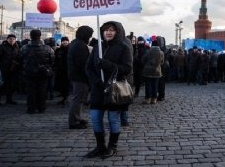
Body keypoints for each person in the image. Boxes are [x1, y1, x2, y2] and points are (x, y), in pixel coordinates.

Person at [85, 21, 133, 158]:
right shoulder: (97, 46)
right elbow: (88, 68)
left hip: (114, 89)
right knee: (95, 118)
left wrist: (107, 65)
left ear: (117, 32)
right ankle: (100, 147)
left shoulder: (124, 47)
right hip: (98, 89)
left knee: (113, 119)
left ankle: (112, 147)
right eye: (106, 30)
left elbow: (127, 69)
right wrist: (97, 82)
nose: (108, 32)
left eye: (112, 30)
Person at [20, 29, 54, 114]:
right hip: (43, 73)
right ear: (40, 36)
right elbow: (52, 61)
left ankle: (31, 108)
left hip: (29, 73)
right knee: (42, 91)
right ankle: (41, 108)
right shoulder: (48, 48)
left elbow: (20, 59)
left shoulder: (24, 48)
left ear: (30, 36)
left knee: (30, 91)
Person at [68, 26, 94, 129]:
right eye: (90, 35)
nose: (91, 37)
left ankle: (77, 118)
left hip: (76, 75)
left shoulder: (75, 43)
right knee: (78, 99)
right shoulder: (80, 45)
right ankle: (74, 121)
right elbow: (83, 64)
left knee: (79, 99)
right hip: (80, 76)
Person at [0, 34, 20, 105]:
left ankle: (9, 99)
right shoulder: (2, 47)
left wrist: (16, 62)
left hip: (13, 69)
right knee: (1, 85)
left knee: (11, 85)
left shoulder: (16, 47)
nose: (12, 40)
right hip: (3, 69)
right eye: (10, 39)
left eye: (13, 39)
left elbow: (18, 56)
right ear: (7, 39)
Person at [142, 39, 164, 104]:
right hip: (157, 71)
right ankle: (154, 99)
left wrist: (146, 64)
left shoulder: (148, 51)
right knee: (155, 85)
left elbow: (143, 59)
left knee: (148, 85)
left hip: (148, 71)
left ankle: (148, 99)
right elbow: (162, 62)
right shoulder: (161, 52)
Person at [54, 37, 70, 105]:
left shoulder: (70, 49)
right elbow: (56, 59)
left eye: (66, 41)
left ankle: (65, 98)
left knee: (66, 85)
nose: (65, 42)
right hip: (60, 70)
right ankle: (63, 96)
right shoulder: (58, 50)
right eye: (63, 41)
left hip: (67, 70)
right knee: (61, 84)